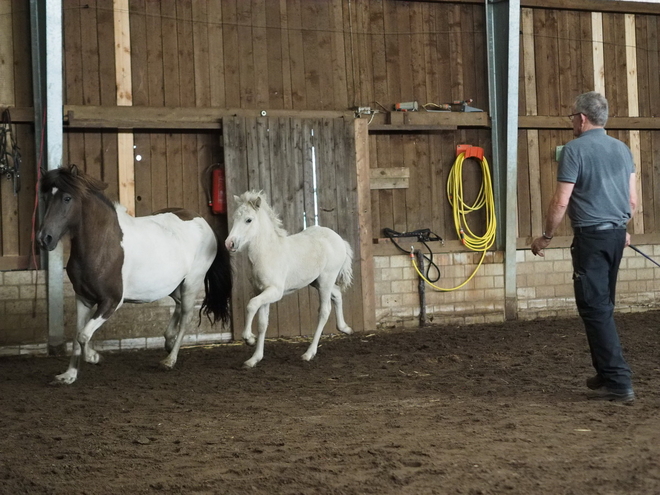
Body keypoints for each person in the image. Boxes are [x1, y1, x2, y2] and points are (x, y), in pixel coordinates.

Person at [531, 91, 637, 403]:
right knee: (602, 305)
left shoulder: (574, 150)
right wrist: (623, 229)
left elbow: (561, 200)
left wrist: (546, 236)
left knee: (595, 308)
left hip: (591, 238)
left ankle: (619, 381)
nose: (570, 122)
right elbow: (632, 200)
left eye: (570, 117)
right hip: (617, 236)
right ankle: (606, 373)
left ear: (581, 118)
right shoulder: (622, 149)